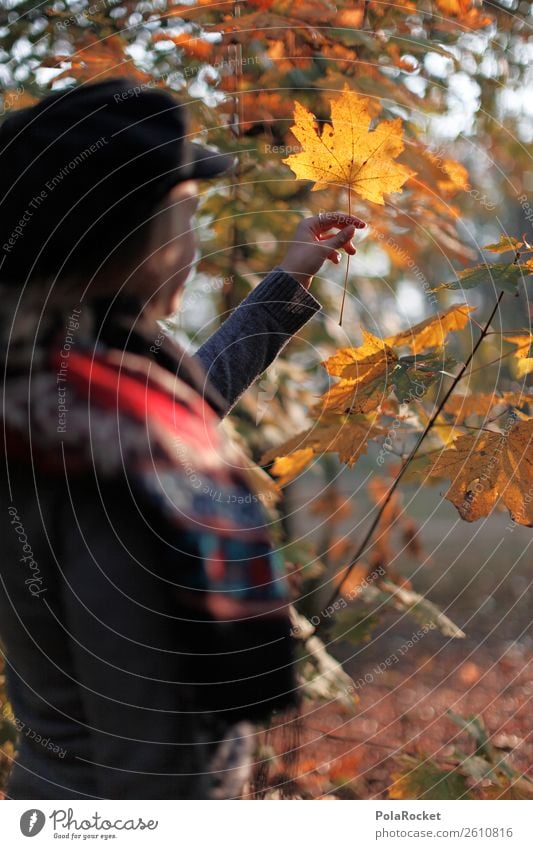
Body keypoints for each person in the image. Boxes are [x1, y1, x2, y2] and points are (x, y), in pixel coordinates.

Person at [0, 77, 365, 800]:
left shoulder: (51, 392)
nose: (193, 243)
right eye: (187, 216)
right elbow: (147, 741)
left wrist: (288, 278)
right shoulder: (113, 462)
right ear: (134, 239)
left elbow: (187, 400)